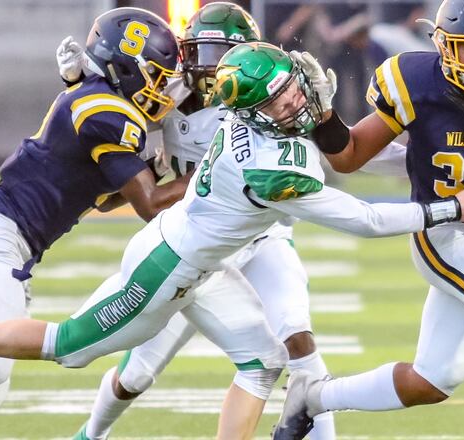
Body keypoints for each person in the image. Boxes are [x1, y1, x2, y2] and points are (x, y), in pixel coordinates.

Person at [0, 42, 464, 439]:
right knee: (67, 346)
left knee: (264, 362)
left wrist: (80, 73)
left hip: (200, 261)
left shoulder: (238, 117)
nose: (296, 98)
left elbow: (178, 85)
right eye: (282, 97)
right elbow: (363, 220)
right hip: (167, 268)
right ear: (256, 112)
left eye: (293, 86)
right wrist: (448, 208)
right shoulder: (271, 169)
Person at [273, 0, 464, 438]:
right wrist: (325, 118)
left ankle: (314, 396)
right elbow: (348, 157)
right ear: (443, 45)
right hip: (442, 232)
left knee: (434, 379)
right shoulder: (415, 82)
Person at [0, 8, 189, 440]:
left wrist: (151, 173)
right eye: (155, 76)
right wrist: (210, 171)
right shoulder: (106, 113)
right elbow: (151, 205)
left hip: (7, 234)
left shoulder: (98, 100)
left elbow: (104, 201)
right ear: (124, 68)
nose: (162, 88)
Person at [56, 3, 350, 439]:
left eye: (224, 55)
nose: (212, 68)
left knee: (298, 341)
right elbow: (108, 115)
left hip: (261, 239)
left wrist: (322, 114)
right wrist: (82, 82)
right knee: (135, 374)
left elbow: (328, 143)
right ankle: (90, 434)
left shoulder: (267, 96)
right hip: (192, 244)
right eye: (203, 53)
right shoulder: (167, 92)